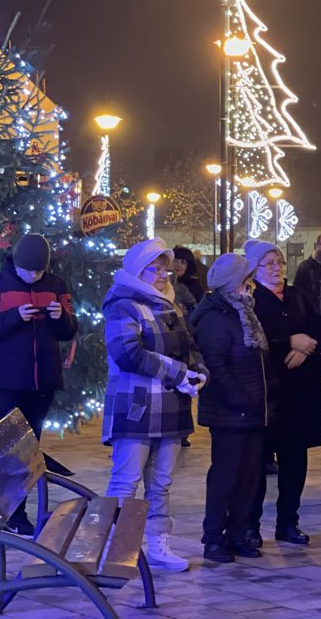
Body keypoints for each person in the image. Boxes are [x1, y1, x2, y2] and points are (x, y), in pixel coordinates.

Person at [102, 238, 209, 572]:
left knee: (161, 482)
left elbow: (188, 346)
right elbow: (127, 353)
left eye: (165, 268)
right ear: (138, 270)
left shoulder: (169, 305)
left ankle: (158, 544)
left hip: (170, 406)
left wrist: (198, 371)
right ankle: (113, 549)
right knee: (126, 480)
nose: (163, 274)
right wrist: (178, 373)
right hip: (136, 405)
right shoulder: (123, 304)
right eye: (155, 268)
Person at [0, 234, 77, 538]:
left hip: (42, 383)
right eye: (28, 272)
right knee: (0, 452)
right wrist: (14, 317)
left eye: (38, 272)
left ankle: (16, 514)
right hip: (6, 382)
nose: (33, 277)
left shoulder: (56, 284)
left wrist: (60, 318)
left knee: (28, 453)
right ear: (16, 264)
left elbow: (69, 330)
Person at [243, 239, 321, 546]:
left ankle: (288, 522)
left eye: (279, 262)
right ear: (254, 269)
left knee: (294, 461)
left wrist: (307, 348)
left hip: (300, 394)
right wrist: (288, 342)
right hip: (268, 393)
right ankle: (250, 525)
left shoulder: (297, 295)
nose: (277, 268)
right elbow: (253, 338)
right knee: (256, 464)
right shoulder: (251, 299)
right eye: (269, 263)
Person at [189, 253, 273, 563]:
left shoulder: (243, 311)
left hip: (252, 409)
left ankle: (238, 534)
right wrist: (240, 398)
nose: (250, 286)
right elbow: (217, 367)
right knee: (226, 475)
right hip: (230, 410)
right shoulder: (214, 317)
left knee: (249, 475)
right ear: (230, 284)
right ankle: (213, 537)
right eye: (245, 281)